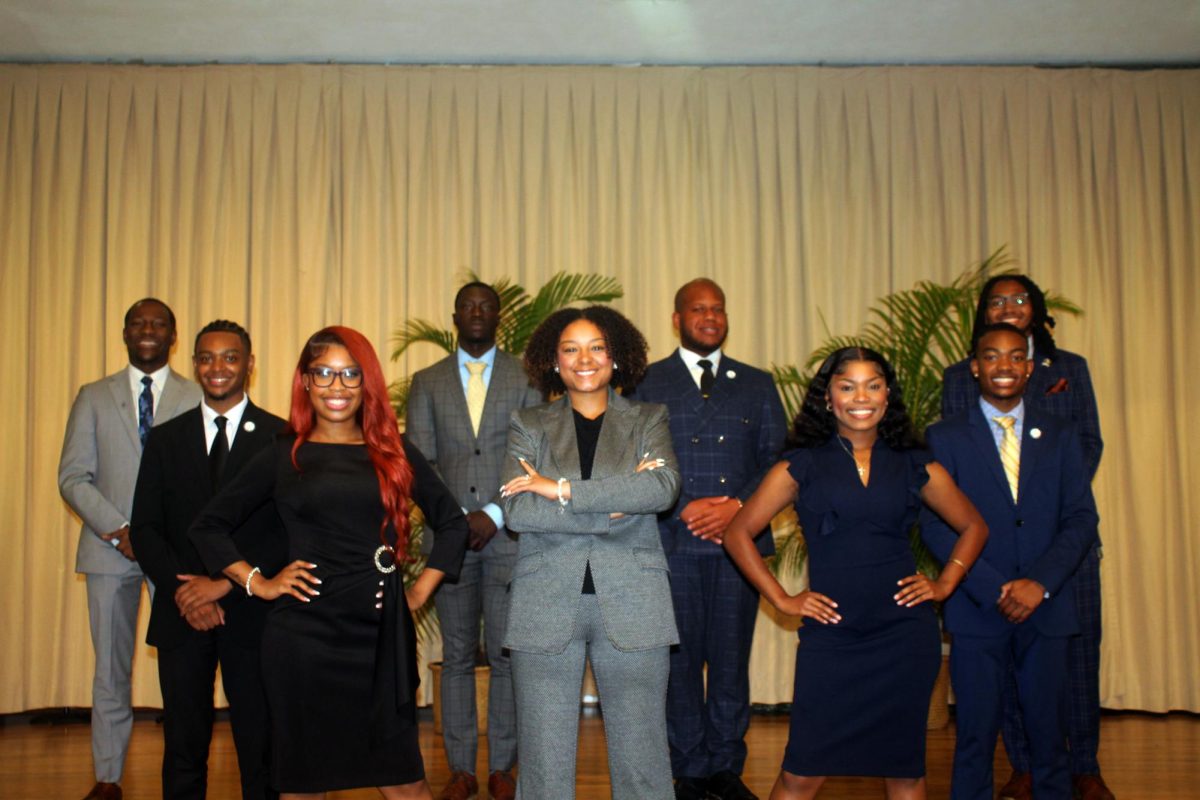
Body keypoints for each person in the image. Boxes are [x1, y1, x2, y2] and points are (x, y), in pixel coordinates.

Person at [189, 326, 468, 799]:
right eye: (324, 373)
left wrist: (418, 593)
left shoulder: (394, 451)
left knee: (406, 785)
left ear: (367, 383)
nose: (337, 387)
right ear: (305, 381)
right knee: (304, 784)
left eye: (349, 375)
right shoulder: (283, 453)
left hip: (379, 641)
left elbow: (453, 523)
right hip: (304, 642)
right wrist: (259, 582)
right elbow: (208, 526)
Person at [722, 347, 988, 800]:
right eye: (847, 386)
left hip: (904, 636)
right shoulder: (801, 464)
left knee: (905, 772)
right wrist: (783, 599)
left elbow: (974, 527)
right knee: (801, 773)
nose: (860, 396)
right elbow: (737, 533)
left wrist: (944, 584)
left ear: (888, 396)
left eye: (873, 385)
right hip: (832, 637)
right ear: (828, 398)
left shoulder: (914, 463)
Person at [499, 306, 681, 799]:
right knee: (542, 760)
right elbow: (517, 511)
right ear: (553, 362)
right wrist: (615, 503)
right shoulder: (528, 423)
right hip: (544, 598)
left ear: (616, 357)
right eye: (570, 348)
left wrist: (557, 490)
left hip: (635, 598)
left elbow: (661, 491)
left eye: (597, 346)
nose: (585, 359)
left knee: (643, 755)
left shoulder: (649, 419)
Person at [941, 275, 1109, 800]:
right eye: (991, 357)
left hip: (1049, 589)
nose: (1004, 366)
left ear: (1030, 366)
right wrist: (992, 584)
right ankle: (1011, 774)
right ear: (975, 366)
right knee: (974, 737)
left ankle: (1081, 769)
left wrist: (1039, 580)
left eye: (1016, 358)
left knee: (1052, 726)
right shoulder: (944, 436)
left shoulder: (1058, 432)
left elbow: (1081, 516)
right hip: (979, 600)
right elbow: (940, 516)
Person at [631, 278, 787, 800]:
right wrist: (683, 504)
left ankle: (726, 765)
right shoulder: (646, 383)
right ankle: (689, 770)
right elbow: (633, 463)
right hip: (670, 546)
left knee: (729, 662)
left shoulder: (758, 384)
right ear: (676, 319)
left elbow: (777, 462)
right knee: (677, 664)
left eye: (718, 308)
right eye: (698, 309)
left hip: (736, 550)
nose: (710, 317)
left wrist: (739, 507)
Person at [129, 319, 286, 799]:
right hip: (183, 614)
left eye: (230, 357)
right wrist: (186, 592)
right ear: (194, 364)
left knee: (259, 744)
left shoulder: (281, 438)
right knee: (183, 744)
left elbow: (286, 532)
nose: (218, 368)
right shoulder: (165, 438)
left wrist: (224, 584)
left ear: (249, 365)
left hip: (253, 613)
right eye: (207, 357)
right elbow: (146, 528)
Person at [59, 298, 202, 800]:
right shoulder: (93, 396)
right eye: (139, 323)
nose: (148, 330)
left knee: (183, 669)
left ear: (173, 335)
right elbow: (73, 477)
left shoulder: (196, 396)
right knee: (110, 669)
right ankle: (108, 777)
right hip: (108, 551)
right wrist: (121, 529)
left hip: (177, 557)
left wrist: (157, 539)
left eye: (158, 323)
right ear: (124, 333)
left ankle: (183, 776)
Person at [405, 281, 539, 800]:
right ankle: (460, 770)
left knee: (507, 654)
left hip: (510, 537)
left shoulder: (527, 376)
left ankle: (504, 769)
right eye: (468, 306)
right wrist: (458, 521)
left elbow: (533, 456)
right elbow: (419, 461)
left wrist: (494, 513)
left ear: (498, 315)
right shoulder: (427, 381)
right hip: (450, 542)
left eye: (486, 306)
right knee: (457, 654)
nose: (477, 312)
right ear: (455, 315)